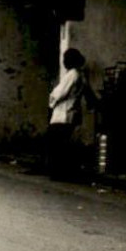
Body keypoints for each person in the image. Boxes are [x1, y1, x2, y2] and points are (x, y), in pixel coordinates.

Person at [46, 47, 94, 180]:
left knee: (56, 143)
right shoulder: (80, 75)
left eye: (65, 59)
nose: (63, 62)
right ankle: (63, 171)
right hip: (70, 112)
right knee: (63, 143)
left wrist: (51, 100)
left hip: (63, 113)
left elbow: (60, 93)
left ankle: (58, 172)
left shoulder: (72, 75)